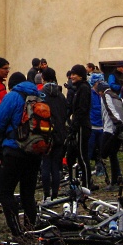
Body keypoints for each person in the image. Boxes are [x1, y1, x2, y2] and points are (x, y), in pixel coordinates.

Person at [0, 77, 42, 237]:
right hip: (35, 150)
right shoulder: (39, 97)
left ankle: (16, 231)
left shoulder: (12, 97)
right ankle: (31, 229)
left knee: (5, 192)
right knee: (28, 194)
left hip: (14, 150)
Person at [39, 68, 69, 201]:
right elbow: (65, 113)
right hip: (60, 133)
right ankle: (55, 193)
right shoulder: (61, 95)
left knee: (45, 164)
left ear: (43, 78)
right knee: (56, 165)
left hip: (45, 134)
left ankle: (46, 194)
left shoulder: (41, 95)